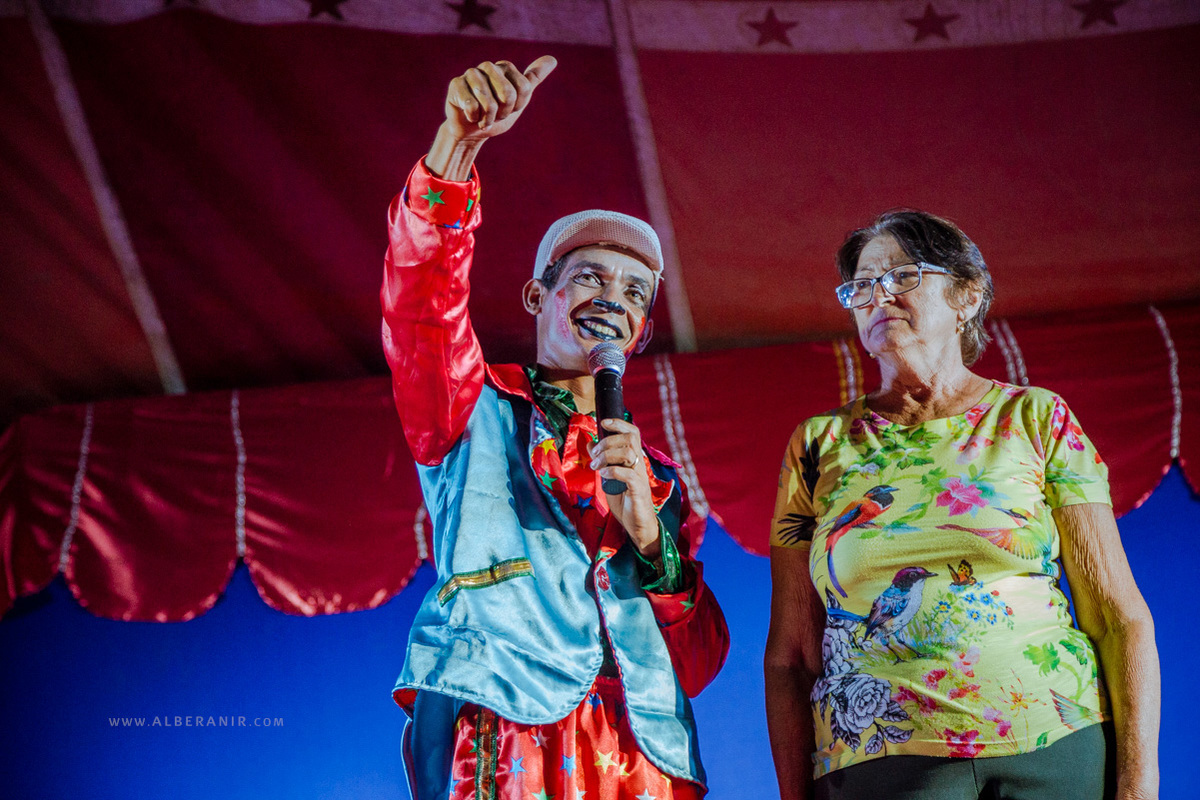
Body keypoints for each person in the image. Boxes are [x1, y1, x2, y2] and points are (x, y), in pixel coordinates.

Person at [382, 56, 729, 800]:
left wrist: (651, 540)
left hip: (640, 754)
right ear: (538, 296)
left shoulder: (657, 479)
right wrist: (455, 151)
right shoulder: (472, 406)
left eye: (634, 294)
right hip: (506, 725)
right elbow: (421, 307)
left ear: (639, 334)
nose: (613, 299)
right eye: (591, 277)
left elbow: (698, 664)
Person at [764, 210, 1160, 800]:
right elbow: (791, 656)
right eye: (862, 286)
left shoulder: (1036, 418)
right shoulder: (818, 445)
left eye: (901, 276)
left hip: (1056, 747)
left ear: (967, 296)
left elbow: (1116, 615)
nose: (878, 297)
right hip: (879, 763)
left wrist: (1138, 785)